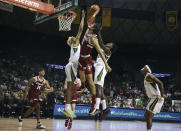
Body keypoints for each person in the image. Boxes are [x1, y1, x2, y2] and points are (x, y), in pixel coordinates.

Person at [78, 5, 112, 115]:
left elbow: (101, 52)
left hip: (89, 59)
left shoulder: (94, 39)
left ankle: (94, 107)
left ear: (94, 28)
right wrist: (95, 12)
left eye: (92, 25)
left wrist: (106, 65)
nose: (91, 23)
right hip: (82, 58)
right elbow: (91, 18)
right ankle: (83, 88)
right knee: (83, 78)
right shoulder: (89, 28)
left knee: (92, 83)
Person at [63, 10, 85, 118]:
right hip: (71, 66)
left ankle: (67, 108)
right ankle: (67, 108)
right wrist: (82, 18)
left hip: (70, 66)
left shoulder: (74, 46)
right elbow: (80, 29)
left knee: (70, 87)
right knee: (70, 88)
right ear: (73, 40)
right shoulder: (75, 43)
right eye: (74, 37)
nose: (75, 37)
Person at [94, 28, 116, 118]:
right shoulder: (105, 50)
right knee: (99, 88)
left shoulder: (108, 51)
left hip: (101, 68)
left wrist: (98, 32)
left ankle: (96, 108)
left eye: (110, 43)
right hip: (99, 67)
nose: (108, 43)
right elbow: (102, 42)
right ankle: (105, 108)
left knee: (98, 87)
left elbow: (101, 43)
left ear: (111, 47)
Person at [141, 65, 167, 131]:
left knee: (149, 116)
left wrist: (162, 94)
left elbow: (160, 83)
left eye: (144, 67)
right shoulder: (146, 77)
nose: (142, 68)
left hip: (157, 97)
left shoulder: (149, 75)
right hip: (153, 98)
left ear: (146, 70)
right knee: (146, 115)